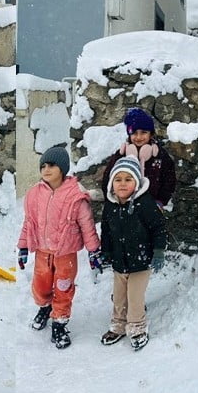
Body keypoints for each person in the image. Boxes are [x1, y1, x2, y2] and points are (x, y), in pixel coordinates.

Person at [17, 145, 104, 349]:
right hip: (42, 253)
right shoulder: (35, 194)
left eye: (51, 165)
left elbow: (87, 226)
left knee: (64, 289)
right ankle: (45, 307)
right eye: (43, 166)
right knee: (40, 287)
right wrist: (23, 247)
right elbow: (29, 222)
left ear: (63, 168)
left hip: (66, 254)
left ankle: (59, 323)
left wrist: (93, 251)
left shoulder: (75, 195)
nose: (46, 169)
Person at [98, 156, 168, 351]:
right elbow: (106, 230)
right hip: (119, 262)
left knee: (135, 297)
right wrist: (106, 252)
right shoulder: (110, 205)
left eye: (128, 179)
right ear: (112, 183)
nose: (122, 184)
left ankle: (137, 327)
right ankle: (118, 325)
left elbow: (159, 228)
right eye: (118, 179)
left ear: (136, 183)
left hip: (141, 261)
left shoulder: (145, 204)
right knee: (119, 297)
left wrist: (158, 252)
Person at [99, 108, 177, 210]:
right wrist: (113, 201)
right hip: (123, 205)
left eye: (143, 132)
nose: (139, 137)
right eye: (134, 133)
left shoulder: (160, 155)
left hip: (152, 206)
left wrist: (161, 201)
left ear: (151, 134)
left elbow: (169, 180)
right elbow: (107, 178)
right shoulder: (121, 155)